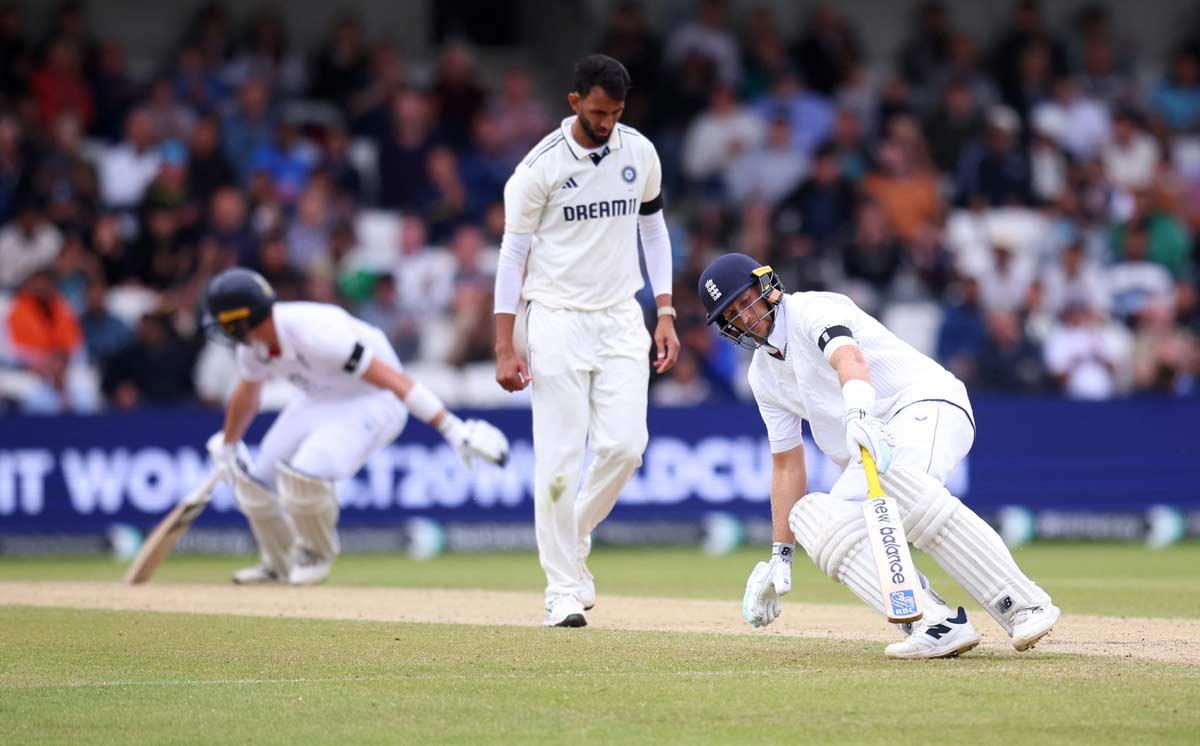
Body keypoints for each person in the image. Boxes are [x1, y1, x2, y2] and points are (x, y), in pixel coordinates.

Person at [696, 253, 1060, 659]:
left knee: (899, 482)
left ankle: (1023, 605)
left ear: (766, 288)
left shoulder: (812, 309)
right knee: (815, 519)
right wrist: (780, 555)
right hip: (872, 446)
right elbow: (786, 464)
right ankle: (933, 623)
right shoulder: (762, 376)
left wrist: (857, 411)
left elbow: (848, 358)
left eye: (745, 302)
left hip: (926, 403)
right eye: (732, 315)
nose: (745, 318)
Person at [493, 54, 679, 627]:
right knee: (557, 464)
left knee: (626, 447)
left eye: (616, 112)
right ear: (575, 102)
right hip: (555, 319)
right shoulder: (537, 169)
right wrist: (504, 344)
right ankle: (561, 589)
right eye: (598, 112)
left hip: (621, 315)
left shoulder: (639, 152)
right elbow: (512, 256)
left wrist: (665, 311)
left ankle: (572, 536)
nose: (607, 123)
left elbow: (653, 229)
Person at [204, 267, 509, 586]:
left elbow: (393, 379)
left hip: (375, 399)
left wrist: (452, 428)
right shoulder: (251, 347)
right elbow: (247, 395)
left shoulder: (316, 333)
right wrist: (229, 445)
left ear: (242, 320)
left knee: (305, 475)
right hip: (318, 399)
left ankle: (315, 555)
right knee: (255, 482)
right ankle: (277, 563)